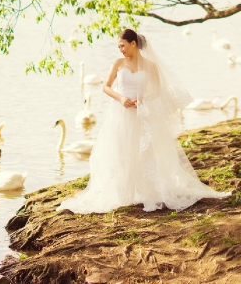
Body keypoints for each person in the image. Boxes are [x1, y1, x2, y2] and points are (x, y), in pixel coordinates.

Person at [57, 29, 229, 213]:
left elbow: (157, 91)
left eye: (122, 45)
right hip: (121, 113)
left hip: (142, 114)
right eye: (118, 46)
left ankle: (146, 191)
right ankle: (124, 192)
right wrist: (121, 98)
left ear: (133, 44)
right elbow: (106, 87)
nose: (120, 49)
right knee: (122, 149)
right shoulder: (118, 63)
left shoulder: (150, 66)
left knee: (144, 151)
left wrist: (144, 100)